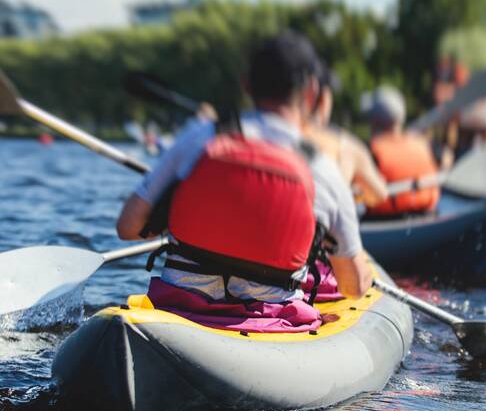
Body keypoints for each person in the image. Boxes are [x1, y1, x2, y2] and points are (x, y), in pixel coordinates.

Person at [116, 31, 371, 316]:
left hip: (179, 309)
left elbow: (127, 227)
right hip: (267, 323)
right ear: (311, 92)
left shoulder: (199, 138)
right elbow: (354, 287)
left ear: (246, 85)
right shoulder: (323, 170)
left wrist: (173, 214)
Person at [303, 62, 388, 208]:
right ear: (322, 99)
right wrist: (353, 193)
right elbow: (381, 193)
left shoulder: (270, 137)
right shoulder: (347, 147)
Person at [363, 86, 442, 217]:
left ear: (374, 121)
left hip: (385, 221)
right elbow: (445, 160)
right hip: (428, 215)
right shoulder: (424, 144)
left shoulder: (370, 152)